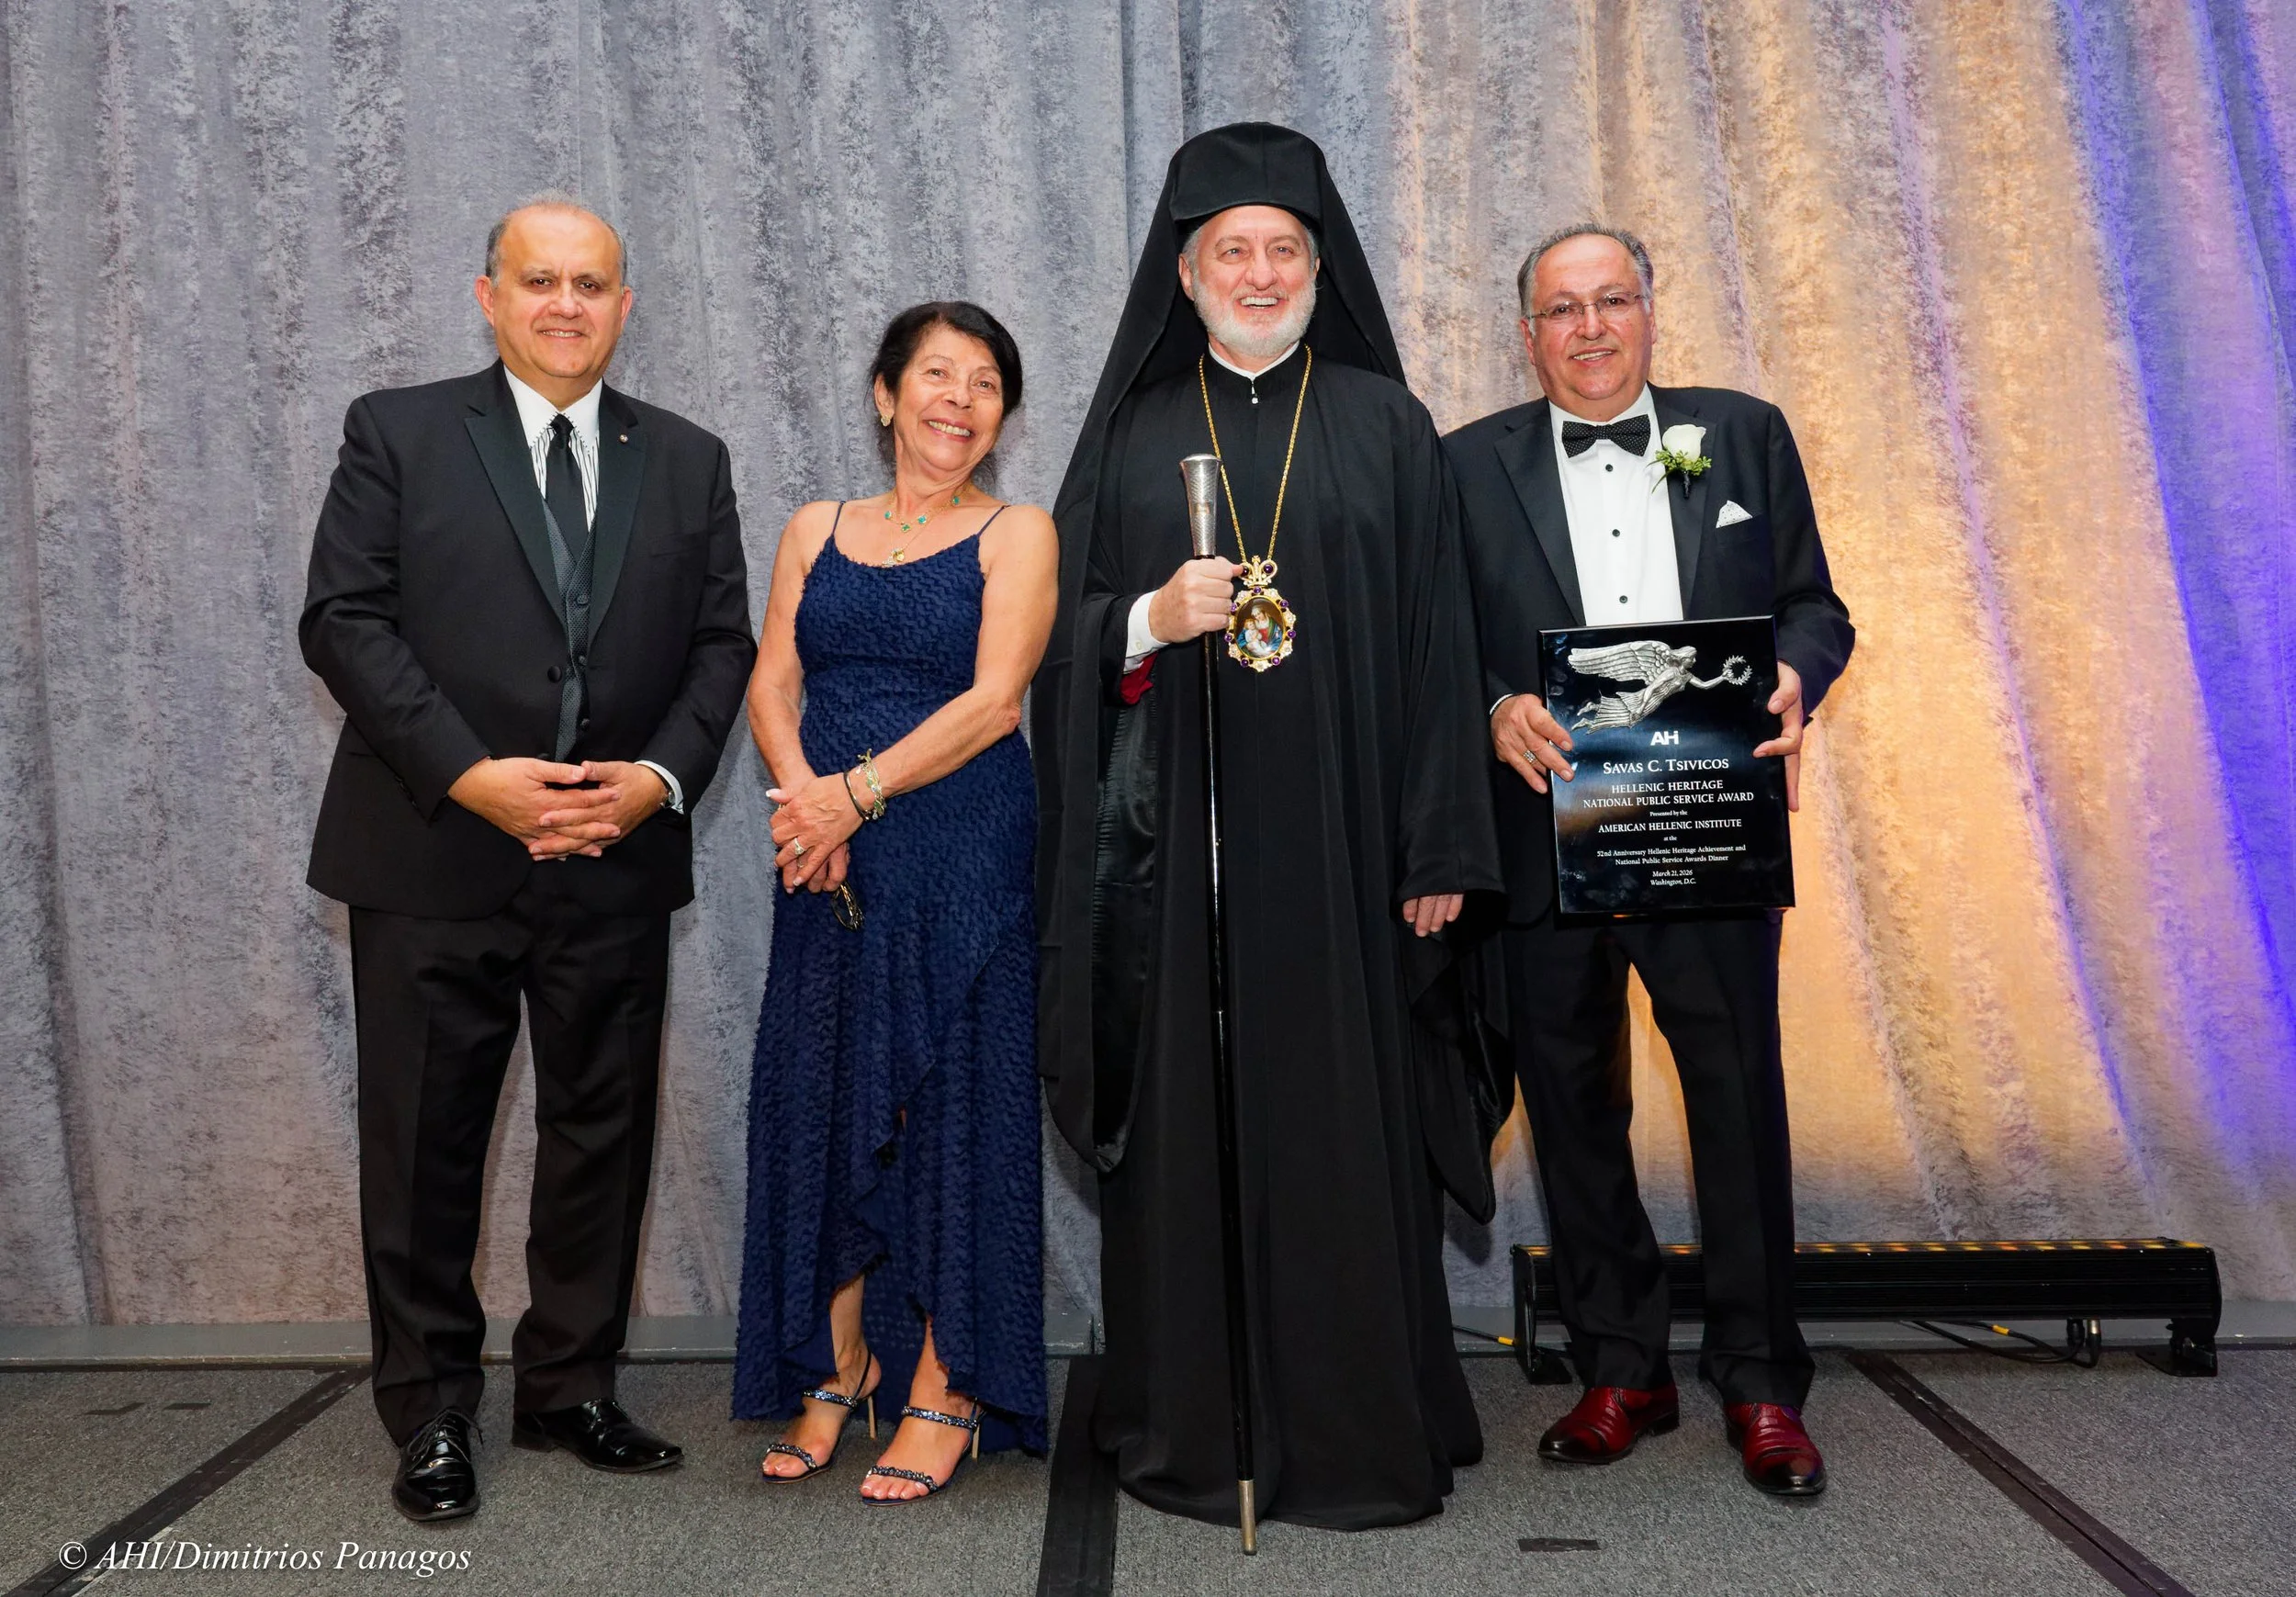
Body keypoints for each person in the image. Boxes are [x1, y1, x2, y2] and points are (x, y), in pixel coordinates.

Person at [1033, 123, 1506, 1531]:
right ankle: (1195, 1418)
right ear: (1184, 274)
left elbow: (1442, 647)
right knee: (1189, 1134)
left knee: (1345, 1136)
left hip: (1352, 865)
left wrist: (1442, 846)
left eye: (1283, 249)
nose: (1258, 272)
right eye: (1230, 250)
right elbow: (1055, 646)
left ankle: (1363, 1423)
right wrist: (1143, 618)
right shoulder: (1130, 436)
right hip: (1175, 875)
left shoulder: (1386, 424)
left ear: (1319, 265)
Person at [300, 194, 754, 1521]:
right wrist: (471, 776)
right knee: (424, 1146)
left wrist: (655, 783)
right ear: (488, 295)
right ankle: (432, 1408)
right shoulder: (396, 430)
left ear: (625, 305)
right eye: (539, 280)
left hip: (614, 857)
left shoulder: (689, 457)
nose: (566, 304)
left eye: (591, 284)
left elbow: (722, 643)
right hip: (433, 849)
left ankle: (570, 1386)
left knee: (602, 1137)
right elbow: (344, 619)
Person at [1445, 225, 1854, 1496]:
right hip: (1544, 833)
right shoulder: (1464, 464)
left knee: (1738, 1104)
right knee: (1573, 1114)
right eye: (1561, 309)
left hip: (1709, 833)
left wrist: (1794, 673)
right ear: (1528, 334)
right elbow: (1432, 641)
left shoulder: (1744, 433)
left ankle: (1763, 1380)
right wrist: (1491, 704)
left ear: (1649, 310)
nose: (1589, 328)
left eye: (1610, 299)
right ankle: (1622, 1368)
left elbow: (1816, 606)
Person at [733, 302, 1056, 1502]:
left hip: (957, 848)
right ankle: (839, 1363)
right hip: (823, 853)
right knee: (821, 1091)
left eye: (985, 384)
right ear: (885, 393)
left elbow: (995, 701)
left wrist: (850, 798)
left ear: (1002, 416)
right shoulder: (813, 527)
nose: (958, 400)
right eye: (936, 375)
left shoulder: (1019, 532)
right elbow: (772, 681)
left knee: (950, 1104)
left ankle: (947, 1381)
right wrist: (804, 804)